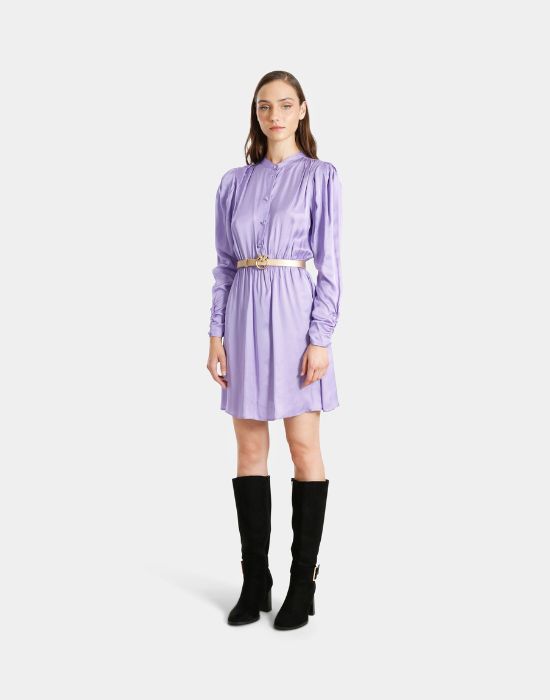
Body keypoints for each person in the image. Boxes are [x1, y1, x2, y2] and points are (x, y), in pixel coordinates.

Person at [206, 71, 342, 631]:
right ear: (256, 114)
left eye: (285, 105)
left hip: (293, 314)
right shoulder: (233, 183)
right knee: (249, 449)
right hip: (242, 313)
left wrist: (320, 337)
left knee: (304, 446)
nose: (275, 115)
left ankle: (302, 583)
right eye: (265, 106)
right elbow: (223, 264)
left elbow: (330, 262)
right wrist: (215, 332)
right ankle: (255, 581)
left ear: (302, 110)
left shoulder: (319, 176)